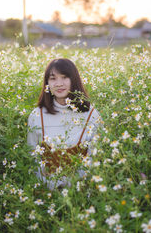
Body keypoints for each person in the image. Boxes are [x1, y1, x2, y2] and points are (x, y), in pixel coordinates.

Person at [27, 58, 102, 190]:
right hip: (47, 194)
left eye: (65, 77)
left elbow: (95, 159)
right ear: (47, 83)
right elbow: (32, 158)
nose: (59, 84)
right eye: (53, 78)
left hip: (81, 193)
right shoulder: (37, 116)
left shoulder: (91, 115)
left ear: (74, 80)